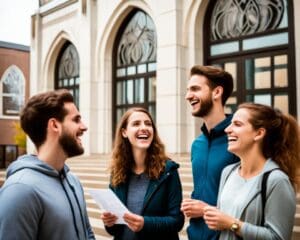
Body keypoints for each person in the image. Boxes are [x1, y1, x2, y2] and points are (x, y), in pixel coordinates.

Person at [0, 89, 95, 240]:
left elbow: (88, 233)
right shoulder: (19, 190)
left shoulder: (73, 181)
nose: (84, 127)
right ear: (54, 125)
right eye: (76, 120)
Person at [203, 102, 299, 240]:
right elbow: (225, 218)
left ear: (259, 133)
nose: (227, 129)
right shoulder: (227, 172)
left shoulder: (277, 180)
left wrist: (232, 224)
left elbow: (278, 237)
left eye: (237, 124)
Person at [100, 107, 184, 240]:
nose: (144, 127)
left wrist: (145, 224)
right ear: (124, 132)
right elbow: (114, 230)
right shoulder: (117, 172)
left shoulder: (168, 171)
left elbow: (177, 221)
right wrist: (109, 223)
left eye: (148, 123)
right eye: (136, 124)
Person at [181, 65, 239, 240]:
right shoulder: (197, 145)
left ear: (217, 92)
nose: (188, 95)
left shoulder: (240, 139)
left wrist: (205, 209)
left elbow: (251, 201)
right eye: (188, 90)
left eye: (195, 89)